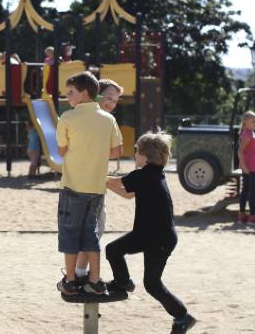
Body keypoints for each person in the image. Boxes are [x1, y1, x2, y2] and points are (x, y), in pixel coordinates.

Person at [105, 132, 197, 334]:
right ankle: (123, 283)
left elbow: (120, 182)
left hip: (157, 238)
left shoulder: (145, 174)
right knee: (115, 252)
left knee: (150, 282)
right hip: (152, 235)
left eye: (136, 151)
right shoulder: (153, 174)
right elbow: (128, 194)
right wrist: (105, 184)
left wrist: (99, 177)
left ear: (145, 156)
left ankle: (181, 317)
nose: (134, 155)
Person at [55, 71, 121, 295]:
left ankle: (71, 280)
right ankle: (95, 279)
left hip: (73, 186)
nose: (67, 97)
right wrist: (96, 153)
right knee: (91, 234)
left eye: (71, 92)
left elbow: (61, 150)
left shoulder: (67, 117)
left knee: (70, 233)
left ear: (84, 93)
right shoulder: (109, 119)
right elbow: (117, 151)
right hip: (97, 188)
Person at [74, 79, 125, 277]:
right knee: (94, 228)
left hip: (87, 180)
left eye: (115, 101)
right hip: (89, 183)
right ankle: (79, 273)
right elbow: (116, 151)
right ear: (96, 94)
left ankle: (78, 272)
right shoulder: (102, 120)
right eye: (109, 98)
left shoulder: (83, 116)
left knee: (90, 229)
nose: (112, 103)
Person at [237, 111, 255, 224]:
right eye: (253, 121)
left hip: (252, 167)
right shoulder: (248, 134)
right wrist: (244, 166)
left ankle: (242, 215)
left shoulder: (249, 132)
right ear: (245, 122)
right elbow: (240, 151)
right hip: (251, 168)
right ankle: (252, 216)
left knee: (246, 190)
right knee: (252, 192)